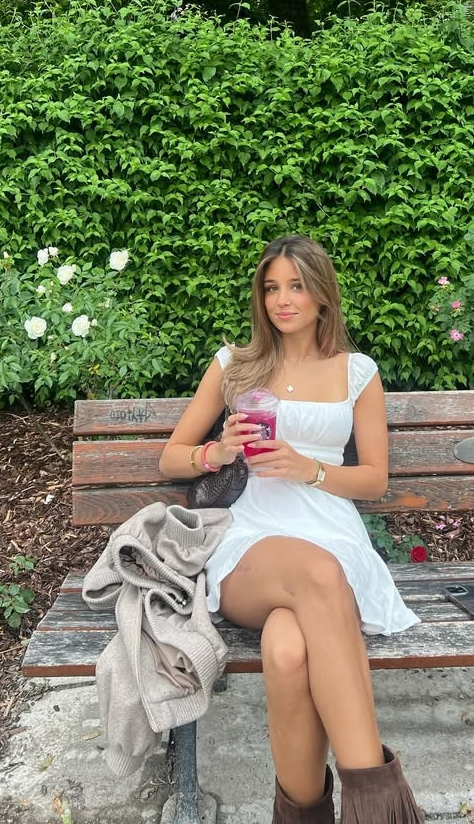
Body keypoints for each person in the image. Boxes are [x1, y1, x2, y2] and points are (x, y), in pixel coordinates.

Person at [159, 235, 423, 824]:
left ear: (322, 294)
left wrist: (312, 469)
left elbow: (374, 480)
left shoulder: (357, 372)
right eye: (272, 287)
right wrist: (217, 451)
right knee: (316, 575)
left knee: (286, 650)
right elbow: (171, 456)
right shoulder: (235, 366)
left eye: (297, 286)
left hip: (331, 531)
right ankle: (382, 811)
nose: (283, 300)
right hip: (250, 538)